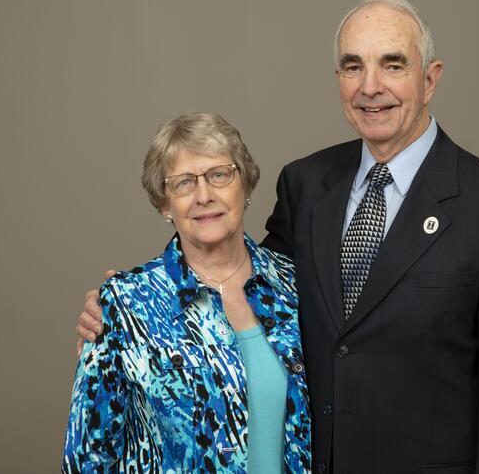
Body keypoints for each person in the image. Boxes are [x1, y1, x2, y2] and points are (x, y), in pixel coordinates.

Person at [77, 0, 479, 474]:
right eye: (353, 67)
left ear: (430, 78)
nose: (371, 87)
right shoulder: (307, 186)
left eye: (392, 65)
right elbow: (246, 291)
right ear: (339, 79)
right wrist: (130, 308)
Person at [63, 112, 311, 473]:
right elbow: (87, 457)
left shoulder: (294, 284)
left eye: (219, 175)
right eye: (184, 183)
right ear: (165, 204)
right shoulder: (125, 305)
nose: (204, 196)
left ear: (246, 185)